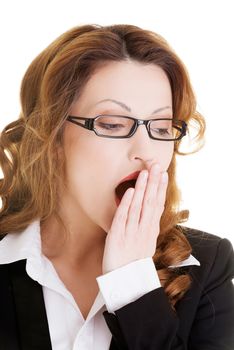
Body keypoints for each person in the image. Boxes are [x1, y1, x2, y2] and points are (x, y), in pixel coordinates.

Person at [0, 23, 233, 350]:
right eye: (112, 124)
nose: (145, 150)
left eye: (162, 128)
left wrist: (132, 283)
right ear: (51, 136)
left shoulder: (209, 265)